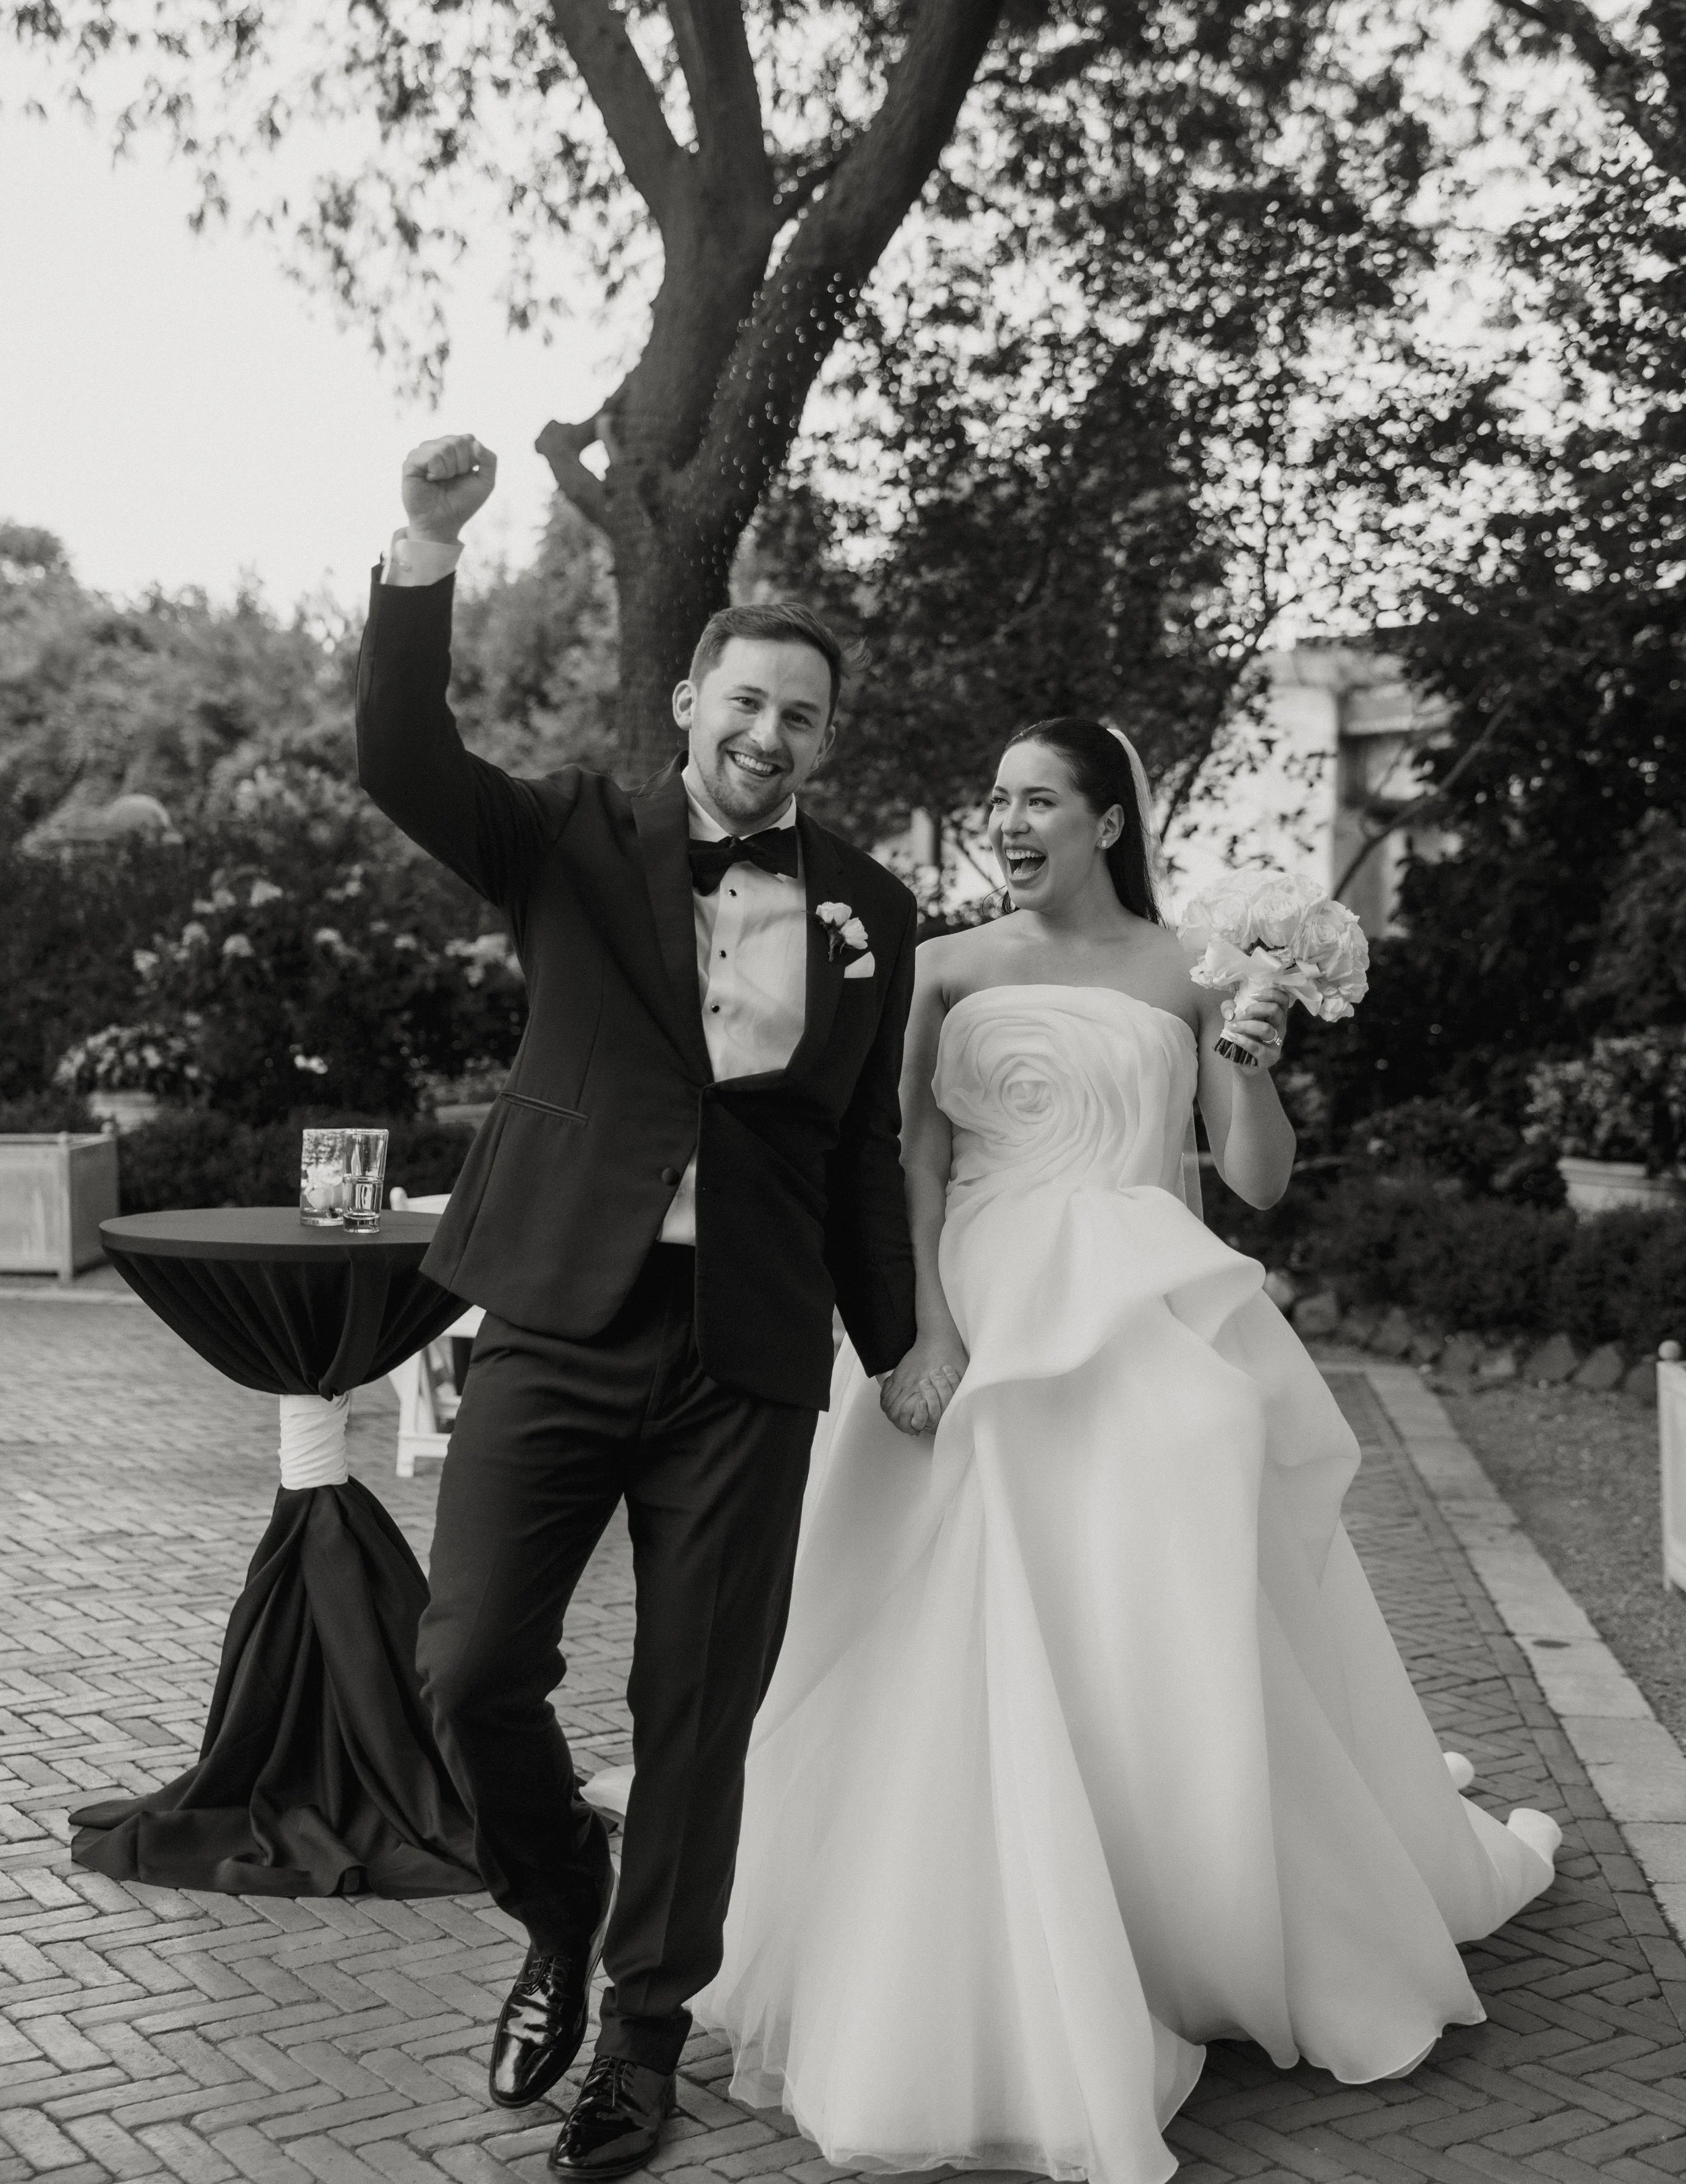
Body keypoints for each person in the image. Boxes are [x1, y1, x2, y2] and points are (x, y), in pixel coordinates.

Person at [695, 716, 1560, 2184]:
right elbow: (904, 1152)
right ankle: (999, 1926)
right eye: (995, 799)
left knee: (1171, 1546)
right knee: (945, 1608)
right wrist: (920, 1332)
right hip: (974, 1305)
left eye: (1036, 798)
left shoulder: (1188, 970)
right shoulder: (946, 964)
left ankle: (1175, 1907)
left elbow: (1255, 1182)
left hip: (1146, 1310)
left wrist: (1252, 1049)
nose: (1006, 820)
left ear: (1107, 820)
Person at [356, 435, 948, 2179]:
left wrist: (894, 1328)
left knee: (695, 1708)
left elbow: (849, 1149)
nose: (770, 737)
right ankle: (556, 1902)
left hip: (744, 1353)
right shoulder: (572, 836)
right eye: (746, 702)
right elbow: (397, 752)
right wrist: (422, 546)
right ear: (687, 697)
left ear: (825, 742)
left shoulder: (868, 905)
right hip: (551, 1310)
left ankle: (639, 2035)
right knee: (467, 1665)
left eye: (804, 719)